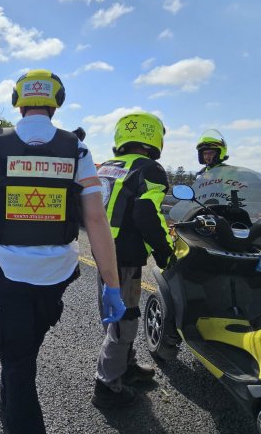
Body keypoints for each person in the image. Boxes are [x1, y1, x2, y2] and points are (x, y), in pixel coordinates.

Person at [0, 69, 126, 433]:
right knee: (22, 349)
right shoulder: (78, 149)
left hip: (7, 270)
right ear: (56, 102)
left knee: (19, 362)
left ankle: (19, 419)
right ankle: (8, 407)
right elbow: (96, 222)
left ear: (18, 102)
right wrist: (112, 286)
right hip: (58, 274)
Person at [92, 112, 174, 409]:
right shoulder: (149, 169)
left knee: (111, 312)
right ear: (154, 137)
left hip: (102, 252)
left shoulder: (109, 166)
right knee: (124, 321)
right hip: (125, 258)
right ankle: (107, 385)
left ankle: (124, 366)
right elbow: (146, 214)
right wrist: (166, 252)